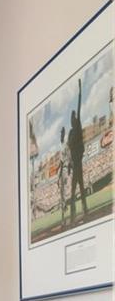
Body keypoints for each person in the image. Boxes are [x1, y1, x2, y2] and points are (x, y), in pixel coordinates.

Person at [68, 77, 88, 220]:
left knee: (78, 187)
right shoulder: (72, 132)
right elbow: (69, 148)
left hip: (78, 163)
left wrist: (80, 91)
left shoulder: (77, 126)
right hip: (76, 163)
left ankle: (82, 210)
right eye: (73, 116)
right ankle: (75, 212)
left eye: (74, 116)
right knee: (76, 187)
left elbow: (79, 106)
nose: (74, 117)